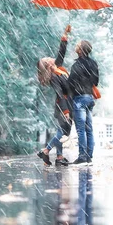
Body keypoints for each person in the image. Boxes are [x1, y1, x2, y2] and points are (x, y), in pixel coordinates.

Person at [36, 25, 73, 167]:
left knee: (62, 132)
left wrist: (65, 35)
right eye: (48, 59)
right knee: (63, 132)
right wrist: (66, 112)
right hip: (63, 106)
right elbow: (60, 94)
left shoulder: (57, 69)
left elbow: (61, 53)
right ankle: (46, 150)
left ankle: (59, 157)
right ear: (48, 64)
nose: (52, 58)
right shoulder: (53, 77)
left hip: (65, 105)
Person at [67, 39, 99, 164]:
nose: (76, 46)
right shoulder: (94, 63)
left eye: (78, 46)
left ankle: (82, 156)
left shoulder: (76, 65)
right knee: (89, 129)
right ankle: (89, 155)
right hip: (90, 98)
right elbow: (96, 82)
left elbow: (70, 83)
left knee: (81, 130)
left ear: (81, 50)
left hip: (79, 98)